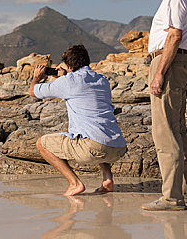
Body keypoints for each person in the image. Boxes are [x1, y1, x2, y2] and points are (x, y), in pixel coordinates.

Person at [141, 0, 187, 211]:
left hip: (172, 61)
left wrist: (159, 73)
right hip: (184, 61)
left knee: (165, 134)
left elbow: (174, 35)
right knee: (178, 131)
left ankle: (172, 197)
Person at [30, 44, 127, 196]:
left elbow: (33, 92)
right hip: (118, 146)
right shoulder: (102, 80)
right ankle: (107, 179)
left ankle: (75, 183)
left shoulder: (68, 81)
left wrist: (37, 78)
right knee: (97, 128)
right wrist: (65, 76)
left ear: (69, 66)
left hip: (94, 148)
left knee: (41, 144)